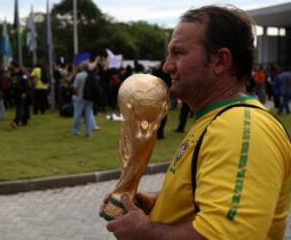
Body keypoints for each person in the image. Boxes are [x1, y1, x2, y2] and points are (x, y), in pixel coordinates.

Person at [101, 5, 291, 240]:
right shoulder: (215, 119)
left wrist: (146, 233)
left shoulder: (241, 127)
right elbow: (206, 196)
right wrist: (157, 201)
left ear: (220, 61)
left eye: (178, 53)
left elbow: (227, 236)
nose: (166, 66)